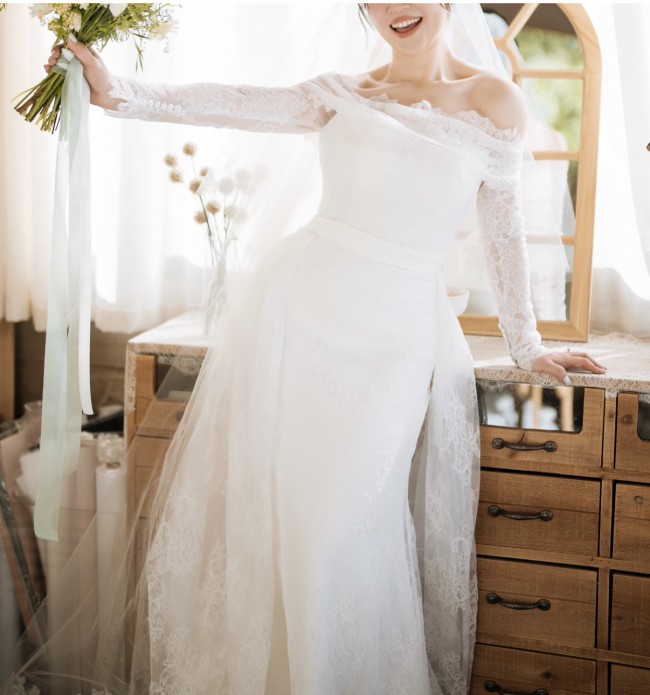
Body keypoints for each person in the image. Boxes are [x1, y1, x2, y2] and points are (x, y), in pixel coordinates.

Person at [19, 4, 605, 695]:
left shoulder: (494, 101)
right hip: (300, 319)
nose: (395, 8)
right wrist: (118, 92)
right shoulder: (344, 92)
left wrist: (527, 344)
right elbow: (232, 103)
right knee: (286, 523)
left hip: (395, 343)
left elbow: (504, 231)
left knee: (343, 527)